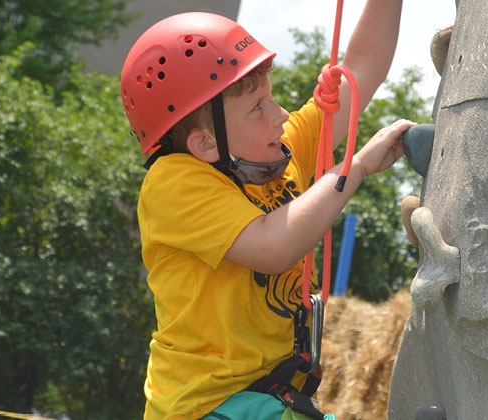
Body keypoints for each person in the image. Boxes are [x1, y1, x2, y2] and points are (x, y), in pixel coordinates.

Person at [120, 2, 412, 418]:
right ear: (205, 144)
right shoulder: (173, 181)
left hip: (266, 399)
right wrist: (357, 165)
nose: (278, 116)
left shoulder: (274, 153)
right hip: (206, 407)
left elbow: (362, 71)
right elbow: (273, 247)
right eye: (256, 107)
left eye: (269, 99)